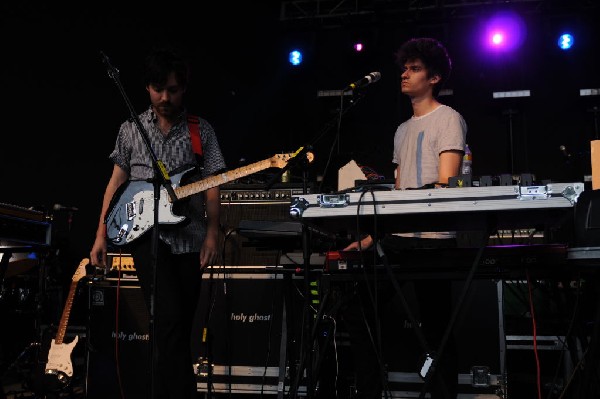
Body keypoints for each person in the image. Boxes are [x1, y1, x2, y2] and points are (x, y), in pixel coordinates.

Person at [89, 46, 226, 399]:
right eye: (158, 88)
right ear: (147, 87)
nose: (165, 97)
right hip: (145, 241)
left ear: (184, 89)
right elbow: (114, 185)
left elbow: (212, 186)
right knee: (166, 323)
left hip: (191, 240)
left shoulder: (201, 131)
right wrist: (100, 236)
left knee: (179, 328)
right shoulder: (131, 130)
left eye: (173, 90)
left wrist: (213, 232)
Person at [341, 37, 467, 399]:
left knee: (437, 329)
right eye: (404, 68)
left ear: (435, 77)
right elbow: (398, 195)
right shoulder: (401, 129)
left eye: (414, 69)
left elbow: (446, 184)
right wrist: (371, 238)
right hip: (398, 240)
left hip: (434, 243)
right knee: (360, 308)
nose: (405, 75)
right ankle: (369, 390)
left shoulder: (449, 119)